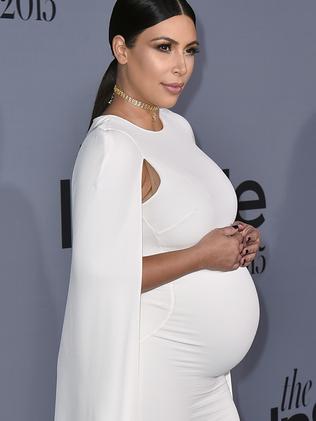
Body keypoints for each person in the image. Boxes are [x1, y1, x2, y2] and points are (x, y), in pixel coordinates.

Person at [53, 1, 261, 420]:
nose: (181, 67)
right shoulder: (113, 145)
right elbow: (103, 276)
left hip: (210, 387)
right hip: (159, 378)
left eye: (190, 50)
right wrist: (205, 255)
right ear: (122, 49)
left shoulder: (178, 127)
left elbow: (186, 227)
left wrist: (237, 240)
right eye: (164, 47)